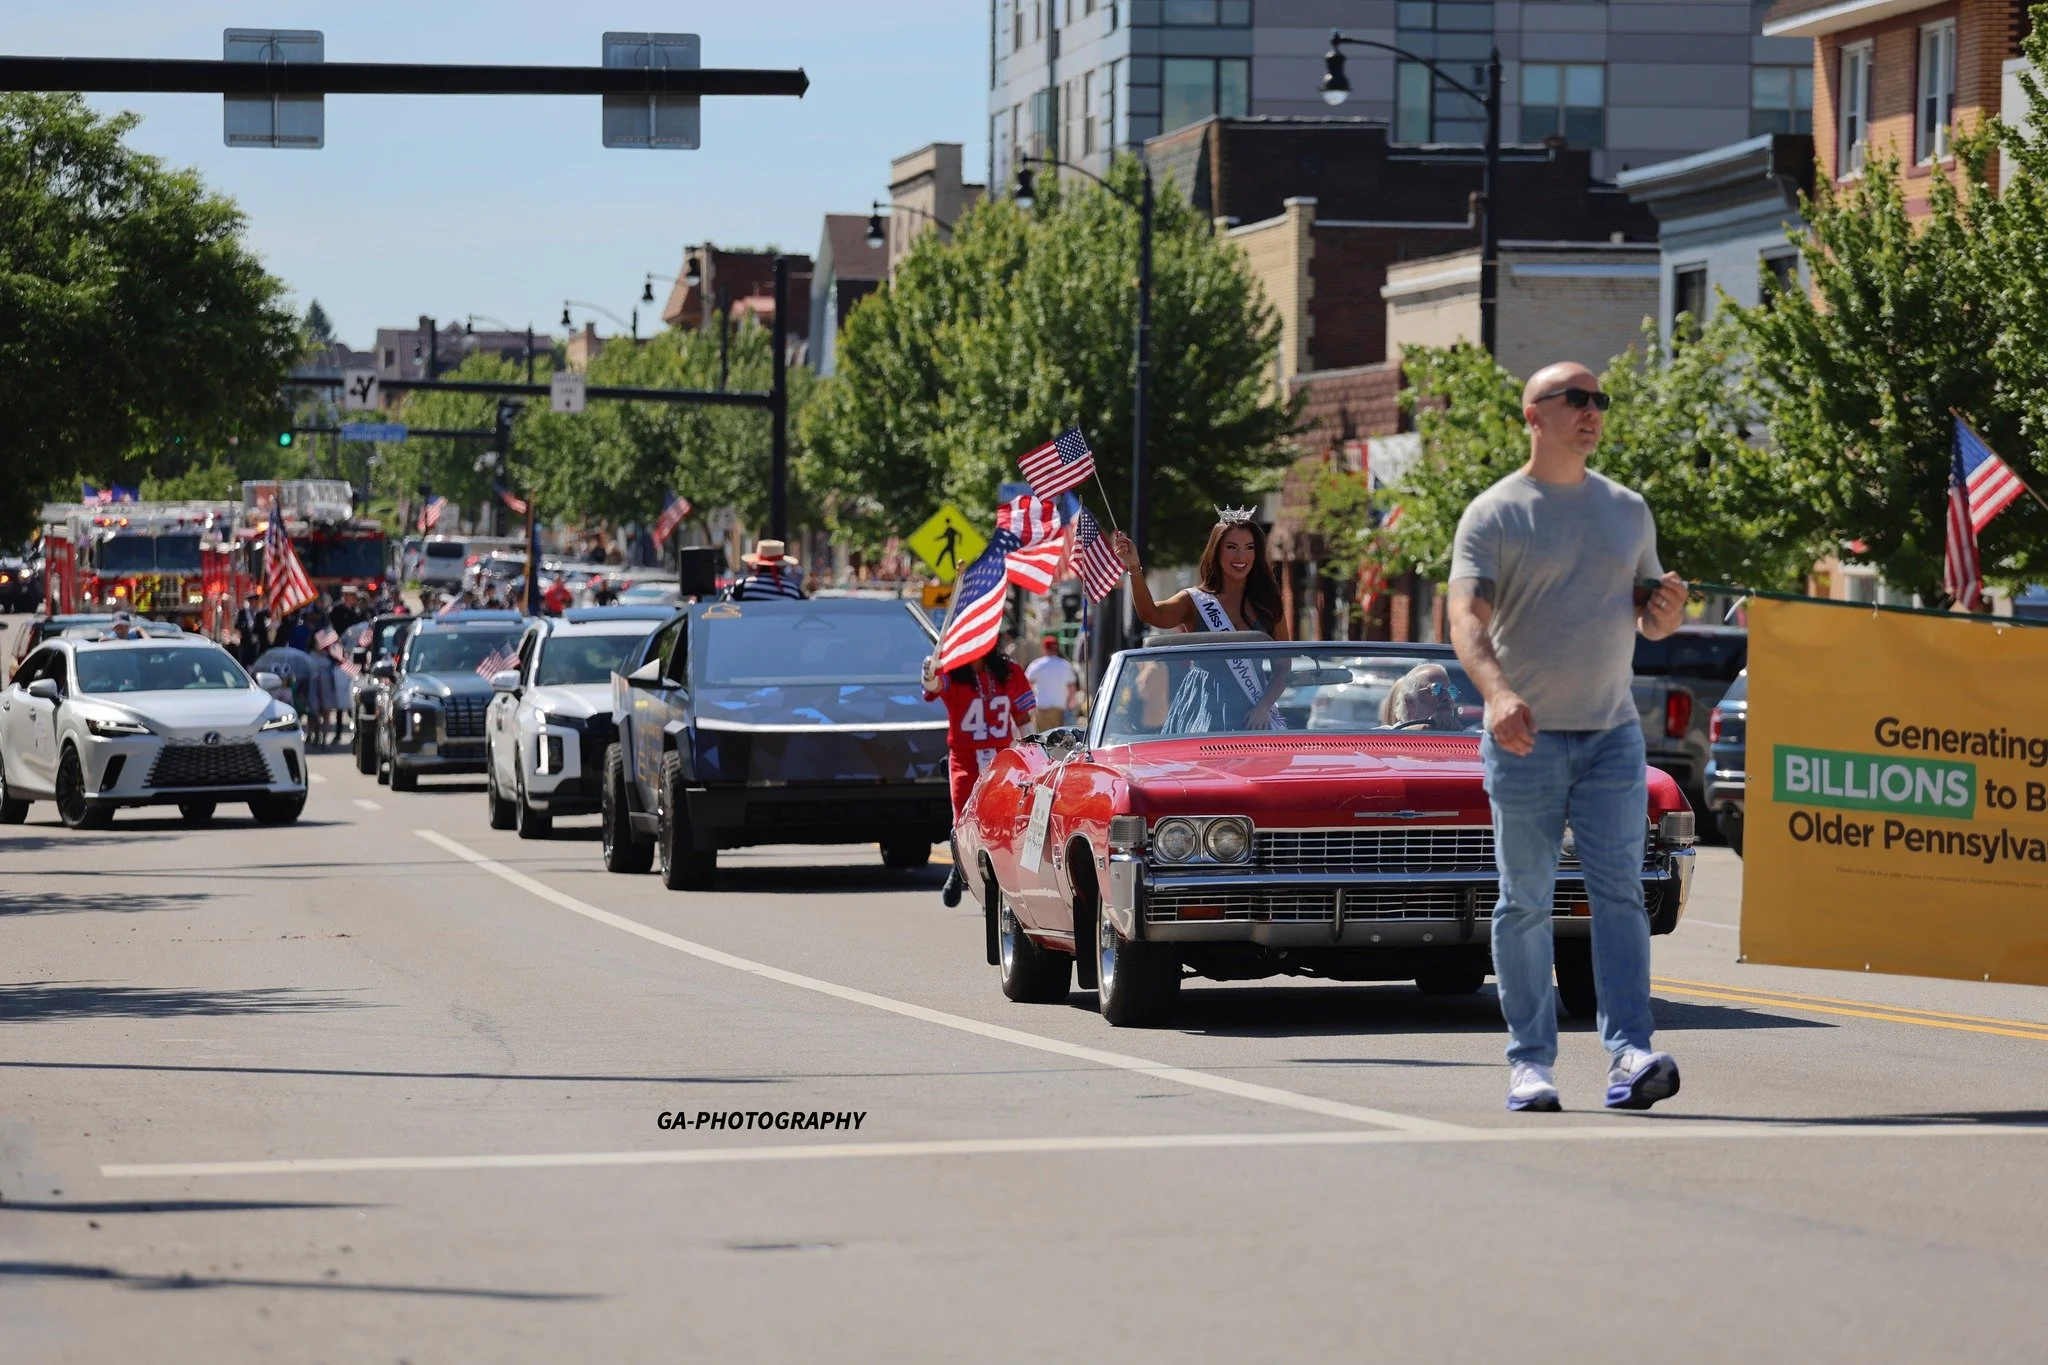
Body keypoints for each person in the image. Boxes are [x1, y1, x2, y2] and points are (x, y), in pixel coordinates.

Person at [1447, 360, 1688, 1114]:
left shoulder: (1628, 510)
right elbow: (1465, 621)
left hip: (1613, 734)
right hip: (1527, 739)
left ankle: (1630, 1054)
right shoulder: (1495, 513)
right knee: (1526, 900)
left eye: (1600, 400)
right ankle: (1530, 1062)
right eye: (1575, 399)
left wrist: (1668, 611)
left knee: (1621, 894)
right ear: (1534, 415)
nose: (1592, 411)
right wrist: (1498, 694)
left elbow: (1648, 618)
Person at [1114, 511, 1291, 729]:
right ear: (1216, 551)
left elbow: (1283, 667)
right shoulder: (1195, 600)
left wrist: (1264, 706)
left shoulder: (1269, 603)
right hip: (1203, 705)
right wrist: (1134, 567)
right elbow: (1151, 614)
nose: (1241, 557)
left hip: (1252, 709)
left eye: (1249, 548)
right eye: (1231, 547)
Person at [921, 647, 1036, 908]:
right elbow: (934, 685)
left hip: (1001, 757)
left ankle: (995, 885)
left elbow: (1022, 717)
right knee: (962, 820)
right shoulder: (951, 671)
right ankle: (959, 867)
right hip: (964, 756)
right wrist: (928, 672)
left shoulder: (1009, 671)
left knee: (1000, 820)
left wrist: (1034, 750)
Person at [1380, 663, 1463, 731]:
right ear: (1410, 701)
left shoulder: (1469, 740)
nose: (1446, 697)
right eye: (1436, 689)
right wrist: (1425, 728)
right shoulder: (1384, 739)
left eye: (1451, 690)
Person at [1024, 634, 1079, 732]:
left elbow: (1027, 685)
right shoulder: (1065, 665)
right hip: (1059, 708)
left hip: (1041, 706)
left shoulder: (1037, 665)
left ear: (1044, 648)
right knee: (1058, 740)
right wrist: (1069, 704)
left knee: (1042, 738)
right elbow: (1072, 688)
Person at [731, 539, 806, 600]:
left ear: (757, 563)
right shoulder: (793, 591)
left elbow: (728, 611)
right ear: (781, 565)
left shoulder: (742, 587)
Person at [233, 592, 269, 666]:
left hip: (257, 646)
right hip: (245, 644)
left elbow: (262, 629)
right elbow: (237, 625)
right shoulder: (242, 612)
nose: (256, 603)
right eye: (255, 600)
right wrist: (245, 629)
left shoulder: (260, 614)